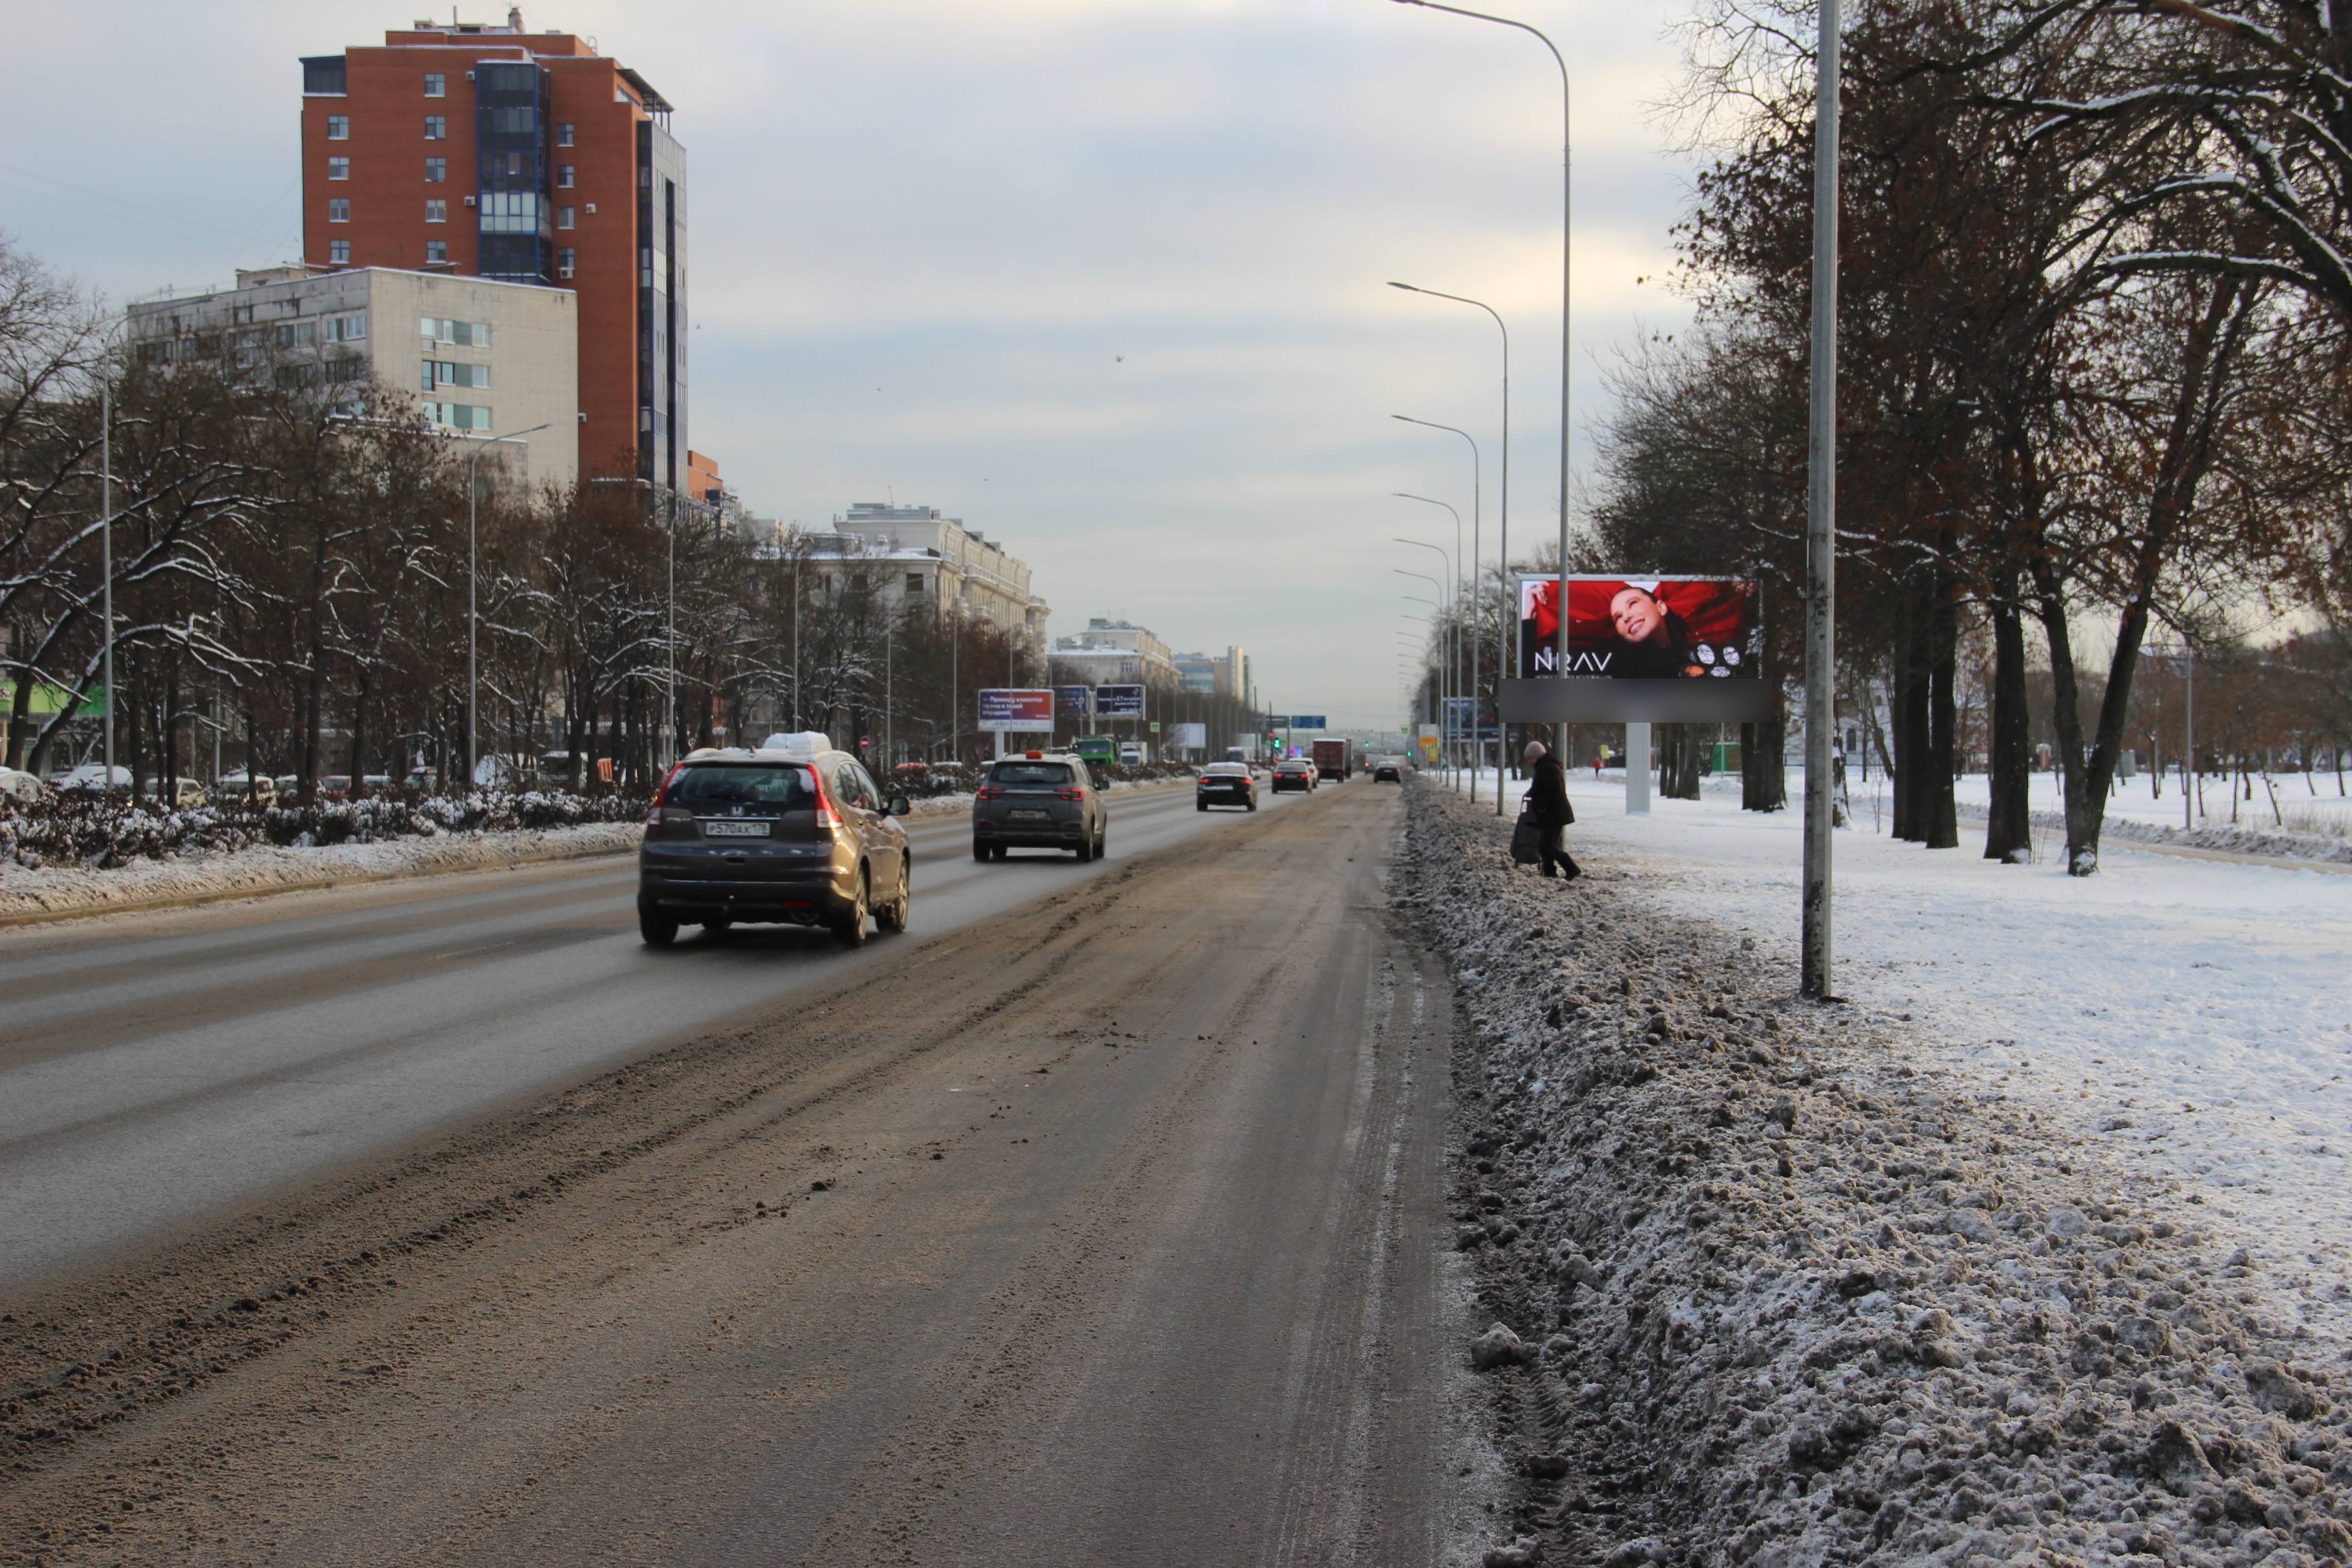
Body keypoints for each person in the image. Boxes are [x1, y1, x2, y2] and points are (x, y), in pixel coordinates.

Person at [1607, 585, 1703, 679]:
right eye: (1618, 617)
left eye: (1632, 604)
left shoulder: (1698, 643)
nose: (1626, 617)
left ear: (1661, 607)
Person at [1522, 739, 1580, 881]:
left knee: (1546, 844)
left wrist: (1542, 804)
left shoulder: (1548, 768)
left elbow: (1554, 791)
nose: (1530, 762)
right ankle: (1549, 873)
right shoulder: (1545, 767)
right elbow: (1542, 788)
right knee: (1545, 845)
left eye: (1531, 758)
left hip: (1554, 814)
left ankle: (1571, 868)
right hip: (1551, 814)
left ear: (1538, 756)